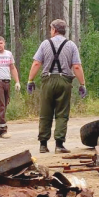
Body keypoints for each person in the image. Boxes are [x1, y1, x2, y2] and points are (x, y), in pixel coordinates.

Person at [26, 19, 87, 154]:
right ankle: (59, 145)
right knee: (62, 113)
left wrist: (30, 80)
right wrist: (82, 84)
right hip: (64, 81)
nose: (50, 31)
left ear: (54, 30)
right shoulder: (71, 45)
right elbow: (76, 66)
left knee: (45, 112)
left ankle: (43, 145)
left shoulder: (45, 44)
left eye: (50, 29)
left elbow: (36, 64)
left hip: (47, 81)